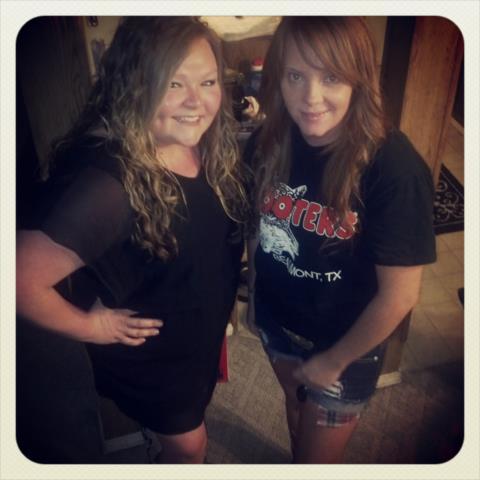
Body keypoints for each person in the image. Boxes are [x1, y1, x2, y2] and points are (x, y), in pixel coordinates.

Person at [16, 16, 250, 464]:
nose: (197, 101)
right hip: (155, 359)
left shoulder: (206, 143)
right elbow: (18, 279)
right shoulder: (108, 185)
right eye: (174, 84)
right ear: (136, 85)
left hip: (192, 340)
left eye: (207, 82)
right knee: (190, 448)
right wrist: (91, 327)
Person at [244, 16, 436, 463]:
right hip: (278, 323)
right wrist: (254, 297)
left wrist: (334, 362)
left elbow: (400, 295)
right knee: (296, 409)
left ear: (358, 79)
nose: (311, 98)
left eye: (330, 77)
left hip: (347, 347)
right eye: (296, 76)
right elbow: (259, 231)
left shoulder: (394, 168)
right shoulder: (267, 143)